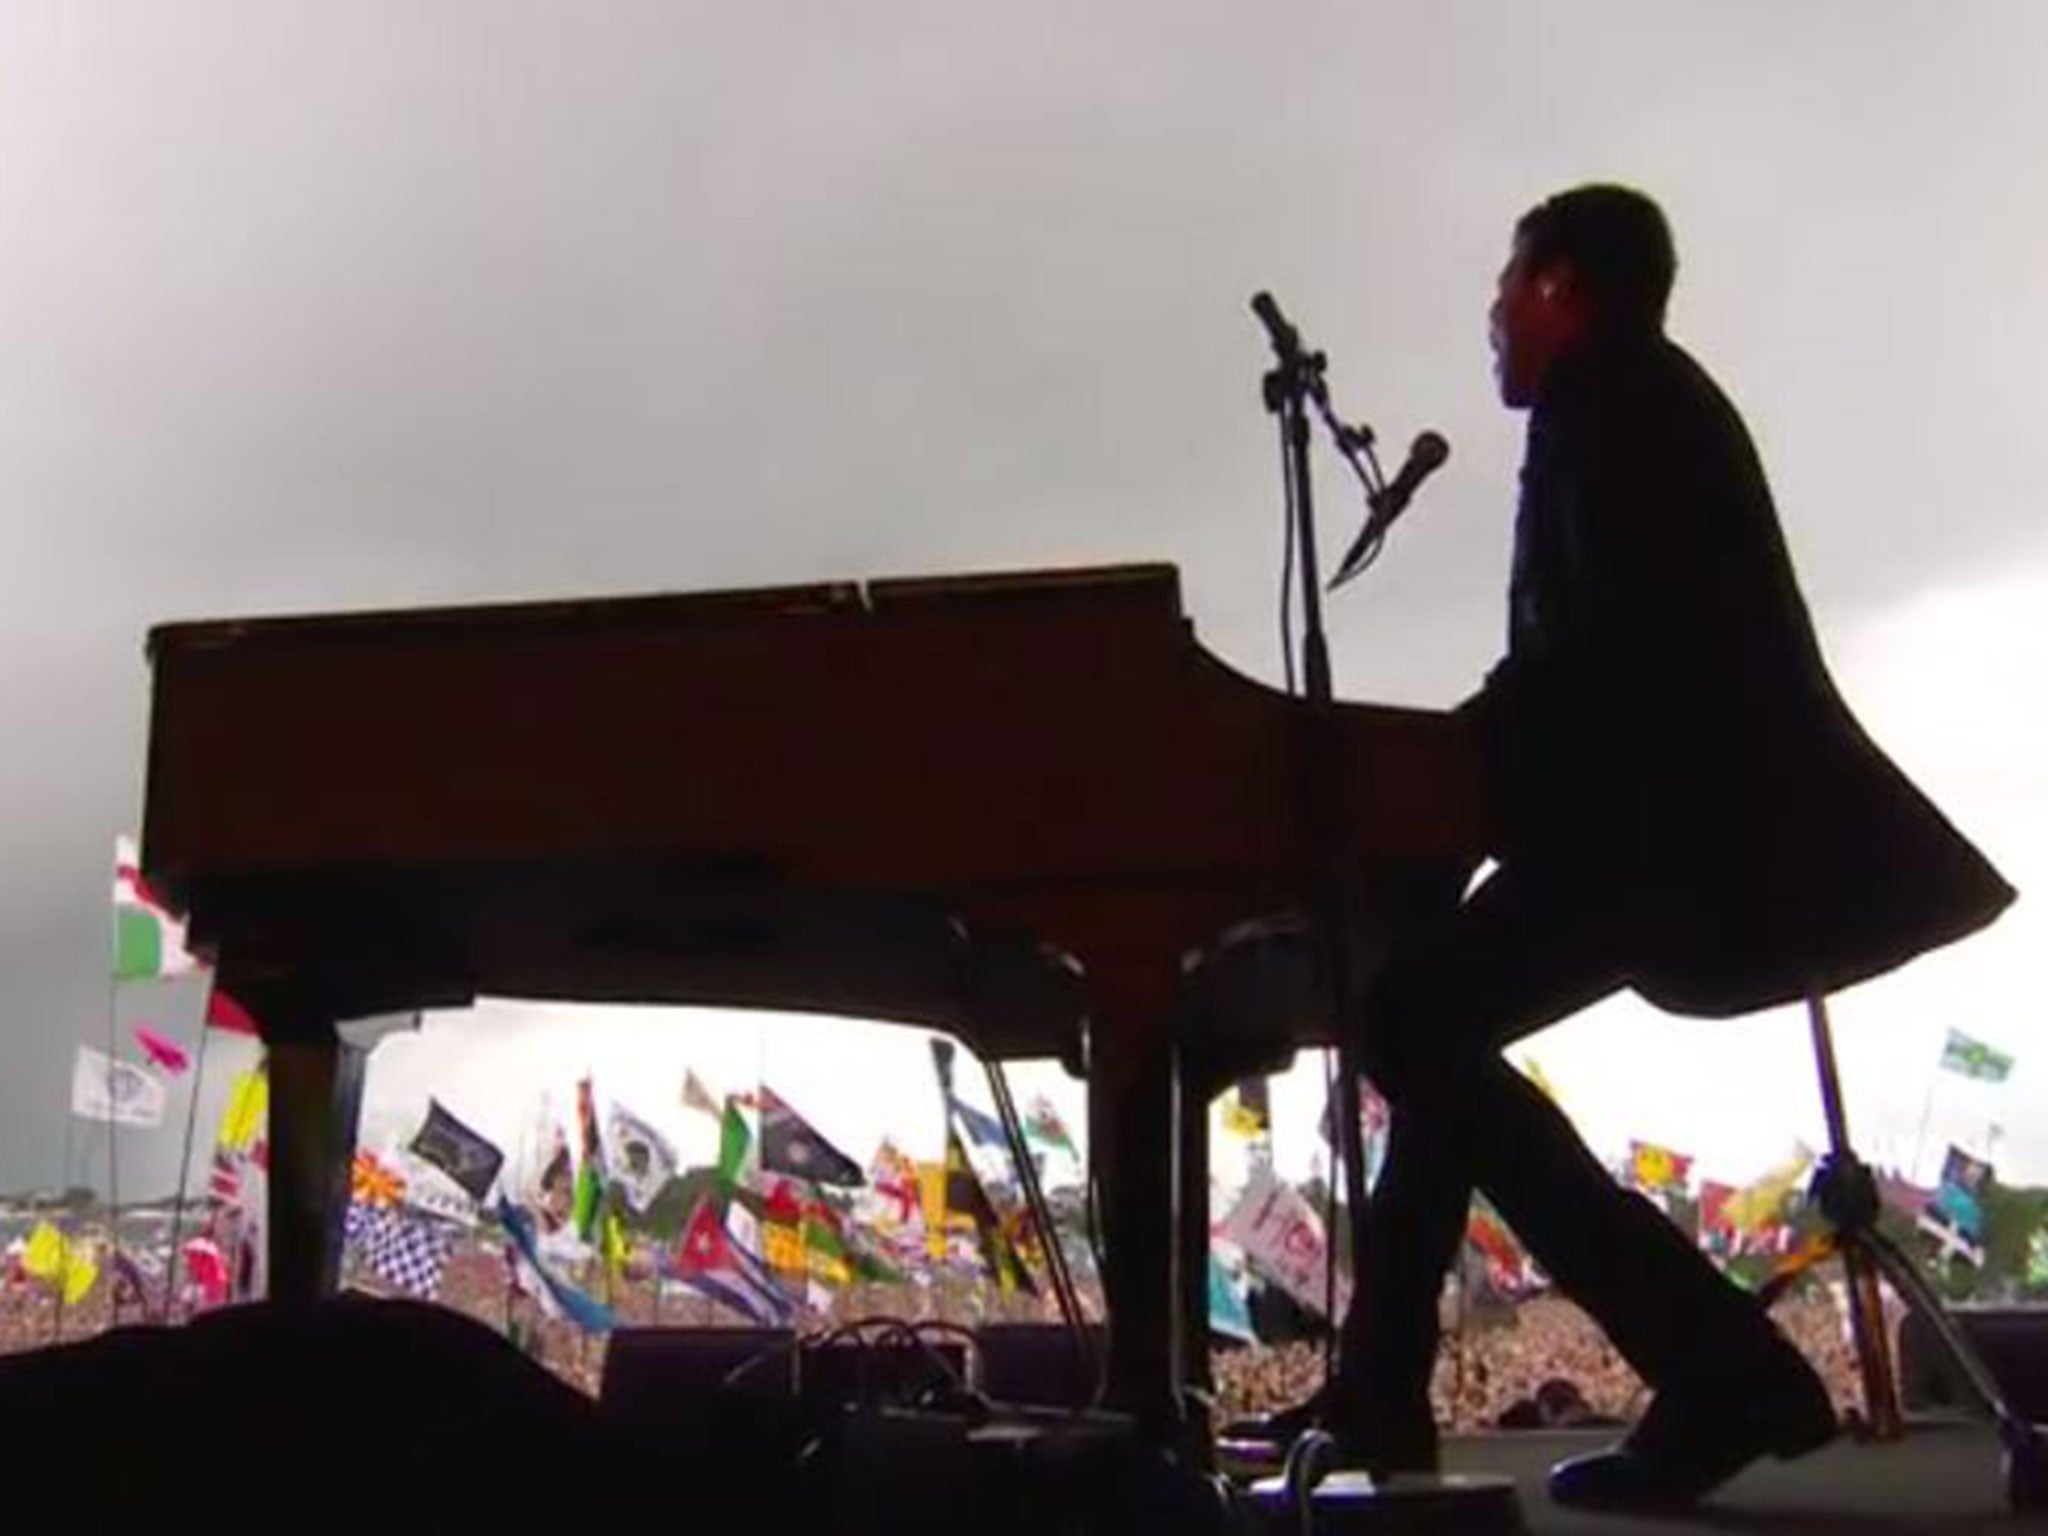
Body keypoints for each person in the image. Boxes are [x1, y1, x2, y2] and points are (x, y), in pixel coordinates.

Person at [1236, 184, 2015, 1511]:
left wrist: (1443, 777)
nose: (1491, 314)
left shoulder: (1616, 406)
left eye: (1506, 284)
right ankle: (1387, 1393)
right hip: (1665, 817)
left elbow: (1601, 660)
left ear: (1562, 286)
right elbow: (1582, 657)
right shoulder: (1634, 400)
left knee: (1418, 1018)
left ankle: (1721, 1368)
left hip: (1683, 827)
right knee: (1428, 1021)